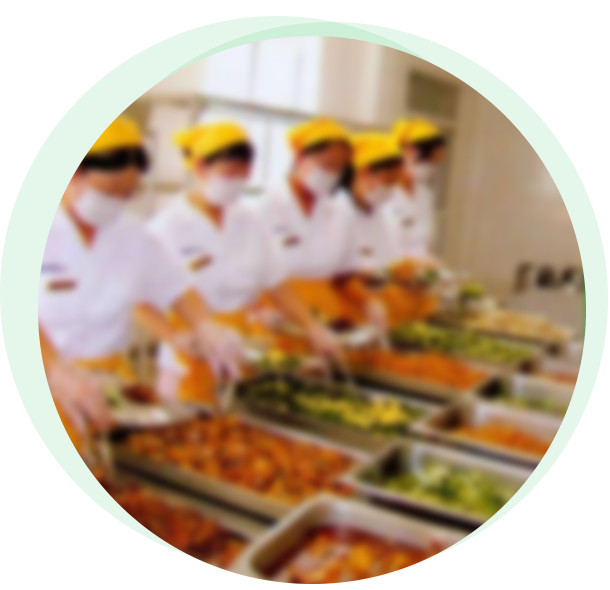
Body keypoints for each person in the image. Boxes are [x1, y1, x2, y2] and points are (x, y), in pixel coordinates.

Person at [37, 116, 242, 446]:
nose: (117, 201)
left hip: (109, 385)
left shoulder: (133, 235)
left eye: (127, 193)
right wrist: (55, 370)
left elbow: (176, 287)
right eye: (108, 191)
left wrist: (205, 326)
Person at [144, 121, 343, 403]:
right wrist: (175, 337)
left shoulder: (249, 221)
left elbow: (277, 284)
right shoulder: (167, 227)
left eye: (244, 173)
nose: (237, 180)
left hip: (242, 349)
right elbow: (140, 302)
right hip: (190, 356)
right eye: (229, 173)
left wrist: (313, 327)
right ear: (200, 168)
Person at [260, 119, 388, 341]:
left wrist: (368, 302)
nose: (332, 174)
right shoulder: (264, 207)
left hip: (326, 321)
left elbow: (343, 276)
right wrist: (257, 310)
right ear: (300, 157)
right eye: (326, 165)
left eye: (339, 168)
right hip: (275, 318)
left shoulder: (340, 209)